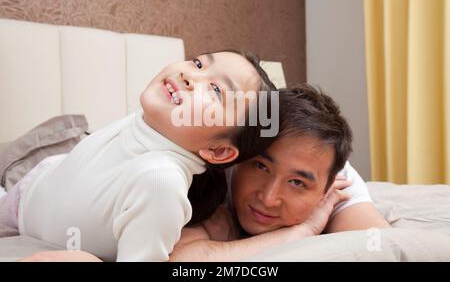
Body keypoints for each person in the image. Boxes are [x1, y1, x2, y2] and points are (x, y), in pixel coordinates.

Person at [0, 50, 277, 262]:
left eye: (217, 90)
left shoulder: (161, 182)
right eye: (199, 63)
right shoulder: (151, 121)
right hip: (32, 187)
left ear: (218, 151)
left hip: (26, 214)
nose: (190, 77)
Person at [169, 85, 391, 261]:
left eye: (296, 182)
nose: (268, 198)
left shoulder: (337, 183)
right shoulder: (214, 165)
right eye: (261, 167)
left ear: (324, 192)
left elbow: (384, 248)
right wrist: (299, 232)